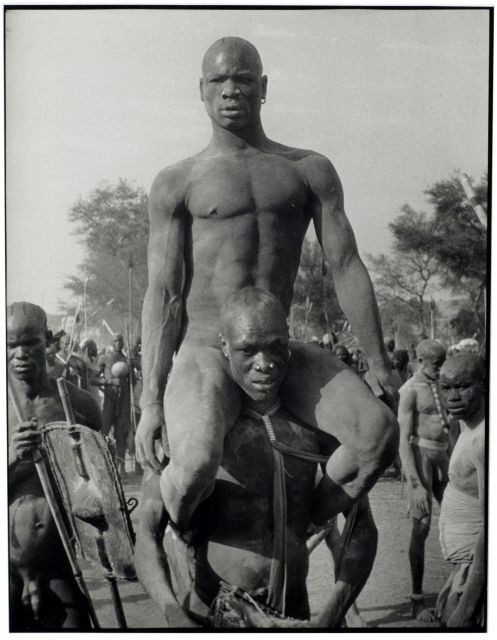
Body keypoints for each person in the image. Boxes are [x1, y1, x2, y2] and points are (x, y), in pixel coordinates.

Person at [135, 36, 398, 536]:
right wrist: (150, 400)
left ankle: (298, 524)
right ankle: (158, 524)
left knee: (378, 434)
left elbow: (345, 265)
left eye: (244, 80)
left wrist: (380, 362)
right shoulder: (178, 181)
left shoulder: (307, 170)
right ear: (201, 90)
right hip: (206, 350)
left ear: (264, 88)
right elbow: (164, 294)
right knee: (192, 465)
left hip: (279, 349)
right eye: (219, 81)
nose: (231, 91)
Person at [136, 289, 377, 627]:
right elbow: (147, 531)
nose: (264, 364)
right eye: (247, 350)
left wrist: (331, 614)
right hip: (211, 614)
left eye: (276, 347)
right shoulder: (196, 428)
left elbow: (360, 527)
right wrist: (173, 613)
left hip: (295, 613)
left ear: (289, 339)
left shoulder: (315, 425)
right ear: (224, 346)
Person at [7, 302, 102, 630]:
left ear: (47, 340)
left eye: (30, 342)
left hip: (59, 563)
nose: (20, 354)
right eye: (10, 345)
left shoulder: (78, 404)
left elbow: (98, 485)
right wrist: (11, 456)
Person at [398, 339, 449, 621]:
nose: (440, 370)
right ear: (420, 362)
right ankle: (417, 599)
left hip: (444, 455)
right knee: (423, 525)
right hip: (420, 456)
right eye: (435, 365)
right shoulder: (409, 391)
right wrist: (416, 484)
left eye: (442, 364)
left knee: (460, 515)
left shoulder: (441, 382)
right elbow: (403, 442)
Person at [436, 353, 485, 628]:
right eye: (446, 388)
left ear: (484, 384)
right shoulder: (465, 427)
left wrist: (466, 607)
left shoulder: (483, 440)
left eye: (462, 386)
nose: (453, 396)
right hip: (462, 565)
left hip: (474, 566)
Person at [96, 333, 132, 475]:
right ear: (112, 342)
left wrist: (131, 367)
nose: (119, 343)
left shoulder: (126, 359)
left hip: (123, 402)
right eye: (116, 341)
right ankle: (104, 465)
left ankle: (121, 466)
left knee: (121, 434)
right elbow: (93, 379)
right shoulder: (105, 358)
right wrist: (108, 382)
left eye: (121, 341)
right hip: (110, 401)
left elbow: (131, 383)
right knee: (104, 432)